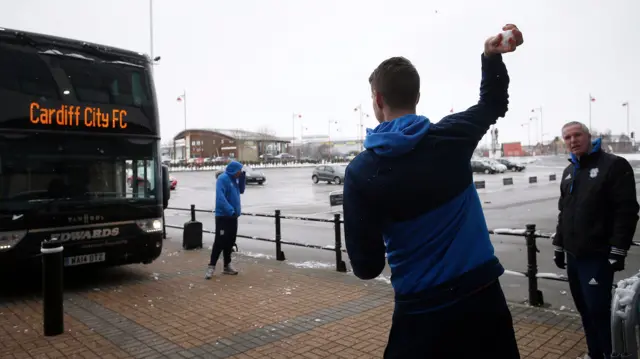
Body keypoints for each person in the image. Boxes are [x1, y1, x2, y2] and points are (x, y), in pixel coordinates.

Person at [342, 24, 523, 358]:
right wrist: (490, 57)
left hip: (421, 313)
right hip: (483, 300)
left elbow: (367, 267)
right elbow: (494, 102)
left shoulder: (361, 172)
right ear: (417, 97)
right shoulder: (452, 137)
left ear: (378, 100)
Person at [553, 122, 639, 359]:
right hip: (573, 256)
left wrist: (618, 250)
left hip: (597, 256)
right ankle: (595, 353)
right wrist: (559, 246)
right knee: (584, 310)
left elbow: (627, 210)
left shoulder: (613, 165)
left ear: (589, 136)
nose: (572, 140)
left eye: (577, 134)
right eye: (567, 137)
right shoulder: (569, 171)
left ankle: (611, 355)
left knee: (599, 311)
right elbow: (564, 211)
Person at [205, 160, 246, 279]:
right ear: (233, 170)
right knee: (220, 241)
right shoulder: (222, 179)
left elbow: (241, 190)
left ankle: (227, 265)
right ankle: (211, 266)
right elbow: (220, 197)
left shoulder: (234, 179)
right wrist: (230, 210)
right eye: (239, 171)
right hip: (223, 216)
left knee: (230, 241)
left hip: (233, 216)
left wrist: (242, 178)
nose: (240, 172)